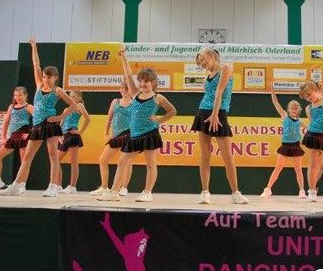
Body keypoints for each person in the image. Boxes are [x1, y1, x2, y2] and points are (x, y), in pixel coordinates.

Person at [0, 38, 76, 197]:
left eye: (50, 77)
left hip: (50, 125)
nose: (47, 79)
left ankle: (53, 187)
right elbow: (36, 64)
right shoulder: (39, 85)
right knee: (27, 157)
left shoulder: (58, 90)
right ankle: (16, 185)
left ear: (55, 78)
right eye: (45, 76)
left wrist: (59, 117)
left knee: (53, 156)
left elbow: (73, 105)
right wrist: (34, 46)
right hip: (37, 126)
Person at [99, 49, 176, 203]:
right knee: (122, 161)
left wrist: (159, 121)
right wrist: (124, 58)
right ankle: (114, 192)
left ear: (153, 82)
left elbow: (172, 111)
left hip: (150, 134)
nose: (143, 84)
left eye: (146, 81)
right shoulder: (135, 94)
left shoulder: (158, 97)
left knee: (150, 163)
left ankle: (147, 192)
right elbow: (128, 75)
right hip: (134, 135)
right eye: (141, 81)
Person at [190, 47, 248, 205]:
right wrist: (210, 113)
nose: (202, 64)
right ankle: (205, 192)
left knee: (227, 156)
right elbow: (208, 94)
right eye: (200, 63)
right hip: (203, 112)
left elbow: (219, 92)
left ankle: (235, 193)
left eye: (203, 60)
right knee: (205, 155)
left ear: (211, 55)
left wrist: (215, 114)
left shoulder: (226, 68)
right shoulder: (207, 76)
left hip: (219, 113)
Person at [260, 87, 306, 199]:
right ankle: (268, 189)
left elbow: (310, 128)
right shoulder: (285, 116)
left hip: (296, 146)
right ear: (289, 109)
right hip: (285, 145)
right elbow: (276, 102)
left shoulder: (300, 121)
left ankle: (302, 191)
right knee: (278, 167)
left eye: (296, 109)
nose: (294, 110)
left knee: (298, 169)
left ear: (298, 110)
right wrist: (272, 91)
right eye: (292, 108)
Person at [90, 82, 134, 197]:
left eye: (126, 89)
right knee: (102, 160)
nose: (123, 90)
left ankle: (124, 187)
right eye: (121, 88)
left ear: (130, 90)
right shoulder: (115, 102)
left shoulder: (134, 103)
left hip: (129, 134)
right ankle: (104, 187)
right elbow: (109, 118)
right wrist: (106, 133)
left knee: (127, 162)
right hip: (115, 135)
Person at [0, 87, 33, 192]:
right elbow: (6, 121)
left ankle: (22, 185)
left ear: (25, 95)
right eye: (15, 95)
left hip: (23, 134)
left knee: (24, 161)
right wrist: (3, 136)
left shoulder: (29, 106)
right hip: (13, 136)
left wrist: (30, 133)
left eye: (20, 95)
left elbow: (38, 120)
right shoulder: (11, 106)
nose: (18, 97)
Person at [54, 90, 91, 194]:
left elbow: (88, 119)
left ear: (79, 98)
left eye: (74, 96)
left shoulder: (79, 106)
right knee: (56, 160)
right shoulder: (67, 109)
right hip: (64, 136)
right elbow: (61, 124)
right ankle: (58, 185)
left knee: (73, 161)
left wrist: (80, 131)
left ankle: (72, 186)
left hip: (73, 135)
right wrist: (59, 136)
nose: (72, 98)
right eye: (70, 96)